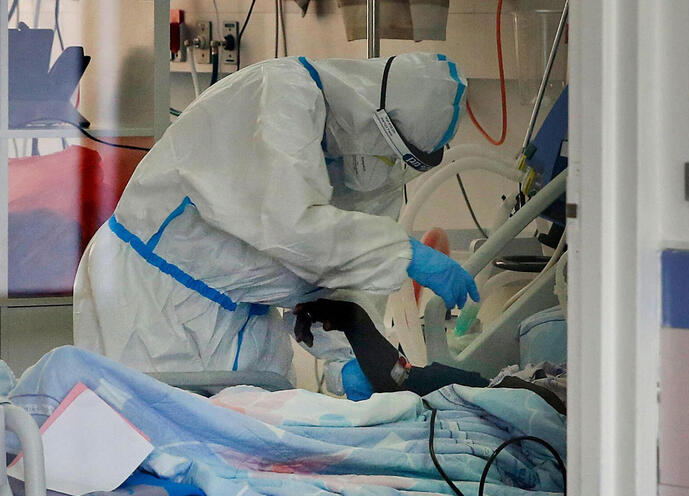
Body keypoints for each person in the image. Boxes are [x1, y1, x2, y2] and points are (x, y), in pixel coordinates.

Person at [74, 53, 479, 385]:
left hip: (245, 317)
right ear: (371, 108)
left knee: (249, 460)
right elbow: (293, 227)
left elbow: (342, 278)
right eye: (386, 144)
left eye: (400, 159)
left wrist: (347, 357)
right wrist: (401, 252)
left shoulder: (380, 175)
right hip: (152, 297)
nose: (383, 164)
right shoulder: (281, 94)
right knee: (154, 454)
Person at [293, 298, 566, 414]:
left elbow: (401, 381)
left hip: (516, 400)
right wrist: (351, 319)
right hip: (501, 391)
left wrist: (352, 319)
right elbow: (403, 380)